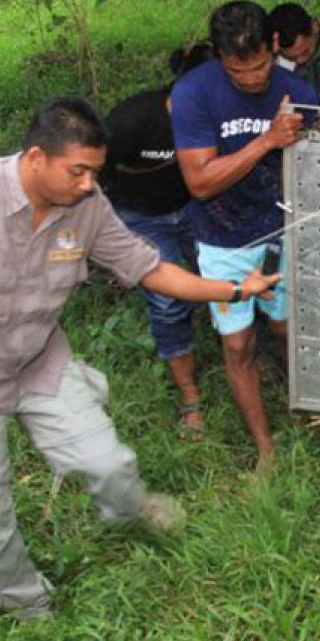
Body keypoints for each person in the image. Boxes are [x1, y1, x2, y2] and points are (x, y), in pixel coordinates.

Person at [0, 97, 280, 620]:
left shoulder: (87, 205)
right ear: (35, 159)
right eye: (79, 171)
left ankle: (130, 515)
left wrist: (232, 289)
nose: (90, 184)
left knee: (110, 464)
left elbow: (149, 268)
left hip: (38, 362)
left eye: (95, 171)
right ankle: (33, 613)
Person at [170, 0, 320, 474]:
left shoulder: (298, 90)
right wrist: (266, 141)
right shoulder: (194, 94)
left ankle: (301, 398)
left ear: (274, 46)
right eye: (239, 70)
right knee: (237, 345)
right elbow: (199, 181)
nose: (253, 78)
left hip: (280, 229)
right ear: (219, 57)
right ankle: (265, 450)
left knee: (282, 328)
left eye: (259, 66)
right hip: (221, 236)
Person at [99, 42, 216, 441]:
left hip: (195, 210)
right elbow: (95, 170)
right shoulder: (133, 119)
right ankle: (191, 398)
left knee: (217, 278)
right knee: (168, 302)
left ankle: (246, 354)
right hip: (142, 217)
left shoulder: (216, 116)